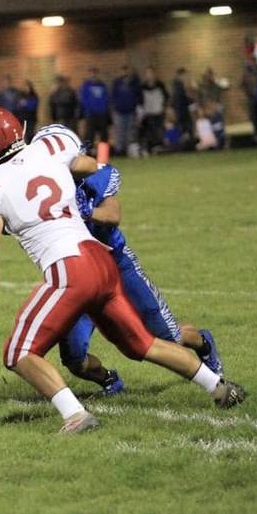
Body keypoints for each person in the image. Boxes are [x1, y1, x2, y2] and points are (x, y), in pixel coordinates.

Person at [0, 107, 245, 434]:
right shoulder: (48, 149)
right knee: (143, 344)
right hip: (101, 260)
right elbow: (91, 165)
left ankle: (75, 416)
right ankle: (220, 388)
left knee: (18, 352)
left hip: (70, 270)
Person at [59, 157, 224, 395]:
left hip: (116, 265)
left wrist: (87, 212)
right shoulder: (41, 185)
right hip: (77, 276)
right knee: (74, 358)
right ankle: (109, 380)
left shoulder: (93, 178)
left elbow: (113, 214)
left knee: (166, 336)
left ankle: (202, 341)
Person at [79, 67, 110, 151]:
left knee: (103, 134)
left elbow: (106, 98)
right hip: (90, 113)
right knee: (89, 134)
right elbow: (83, 99)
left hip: (102, 113)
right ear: (89, 74)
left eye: (95, 73)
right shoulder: (85, 85)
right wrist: (89, 109)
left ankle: (103, 152)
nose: (93, 75)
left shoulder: (102, 85)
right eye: (91, 73)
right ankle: (88, 151)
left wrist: (104, 109)